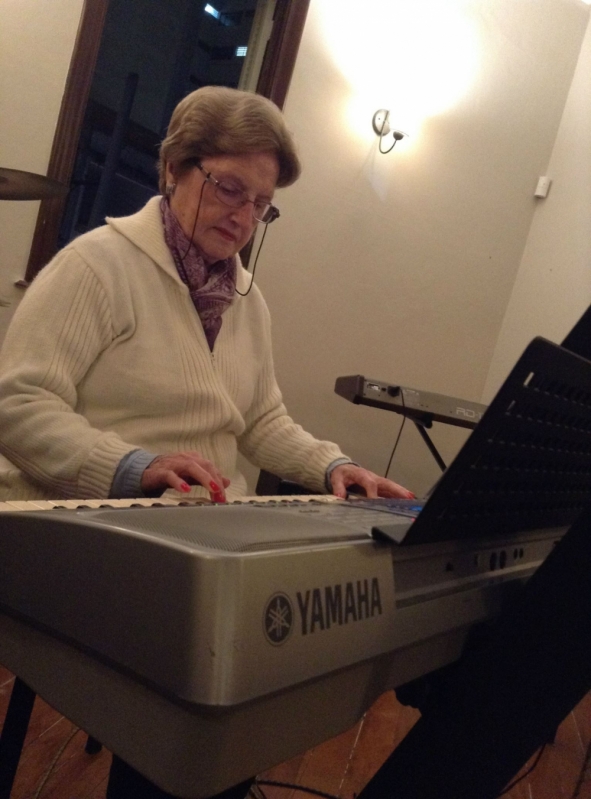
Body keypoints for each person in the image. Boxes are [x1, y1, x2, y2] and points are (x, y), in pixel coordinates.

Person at [0, 86, 412, 504]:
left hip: (208, 519)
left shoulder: (248, 301)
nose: (243, 217)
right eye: (230, 189)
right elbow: (17, 404)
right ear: (174, 168)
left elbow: (261, 422)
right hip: (95, 517)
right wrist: (132, 467)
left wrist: (334, 467)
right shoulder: (95, 266)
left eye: (259, 205)